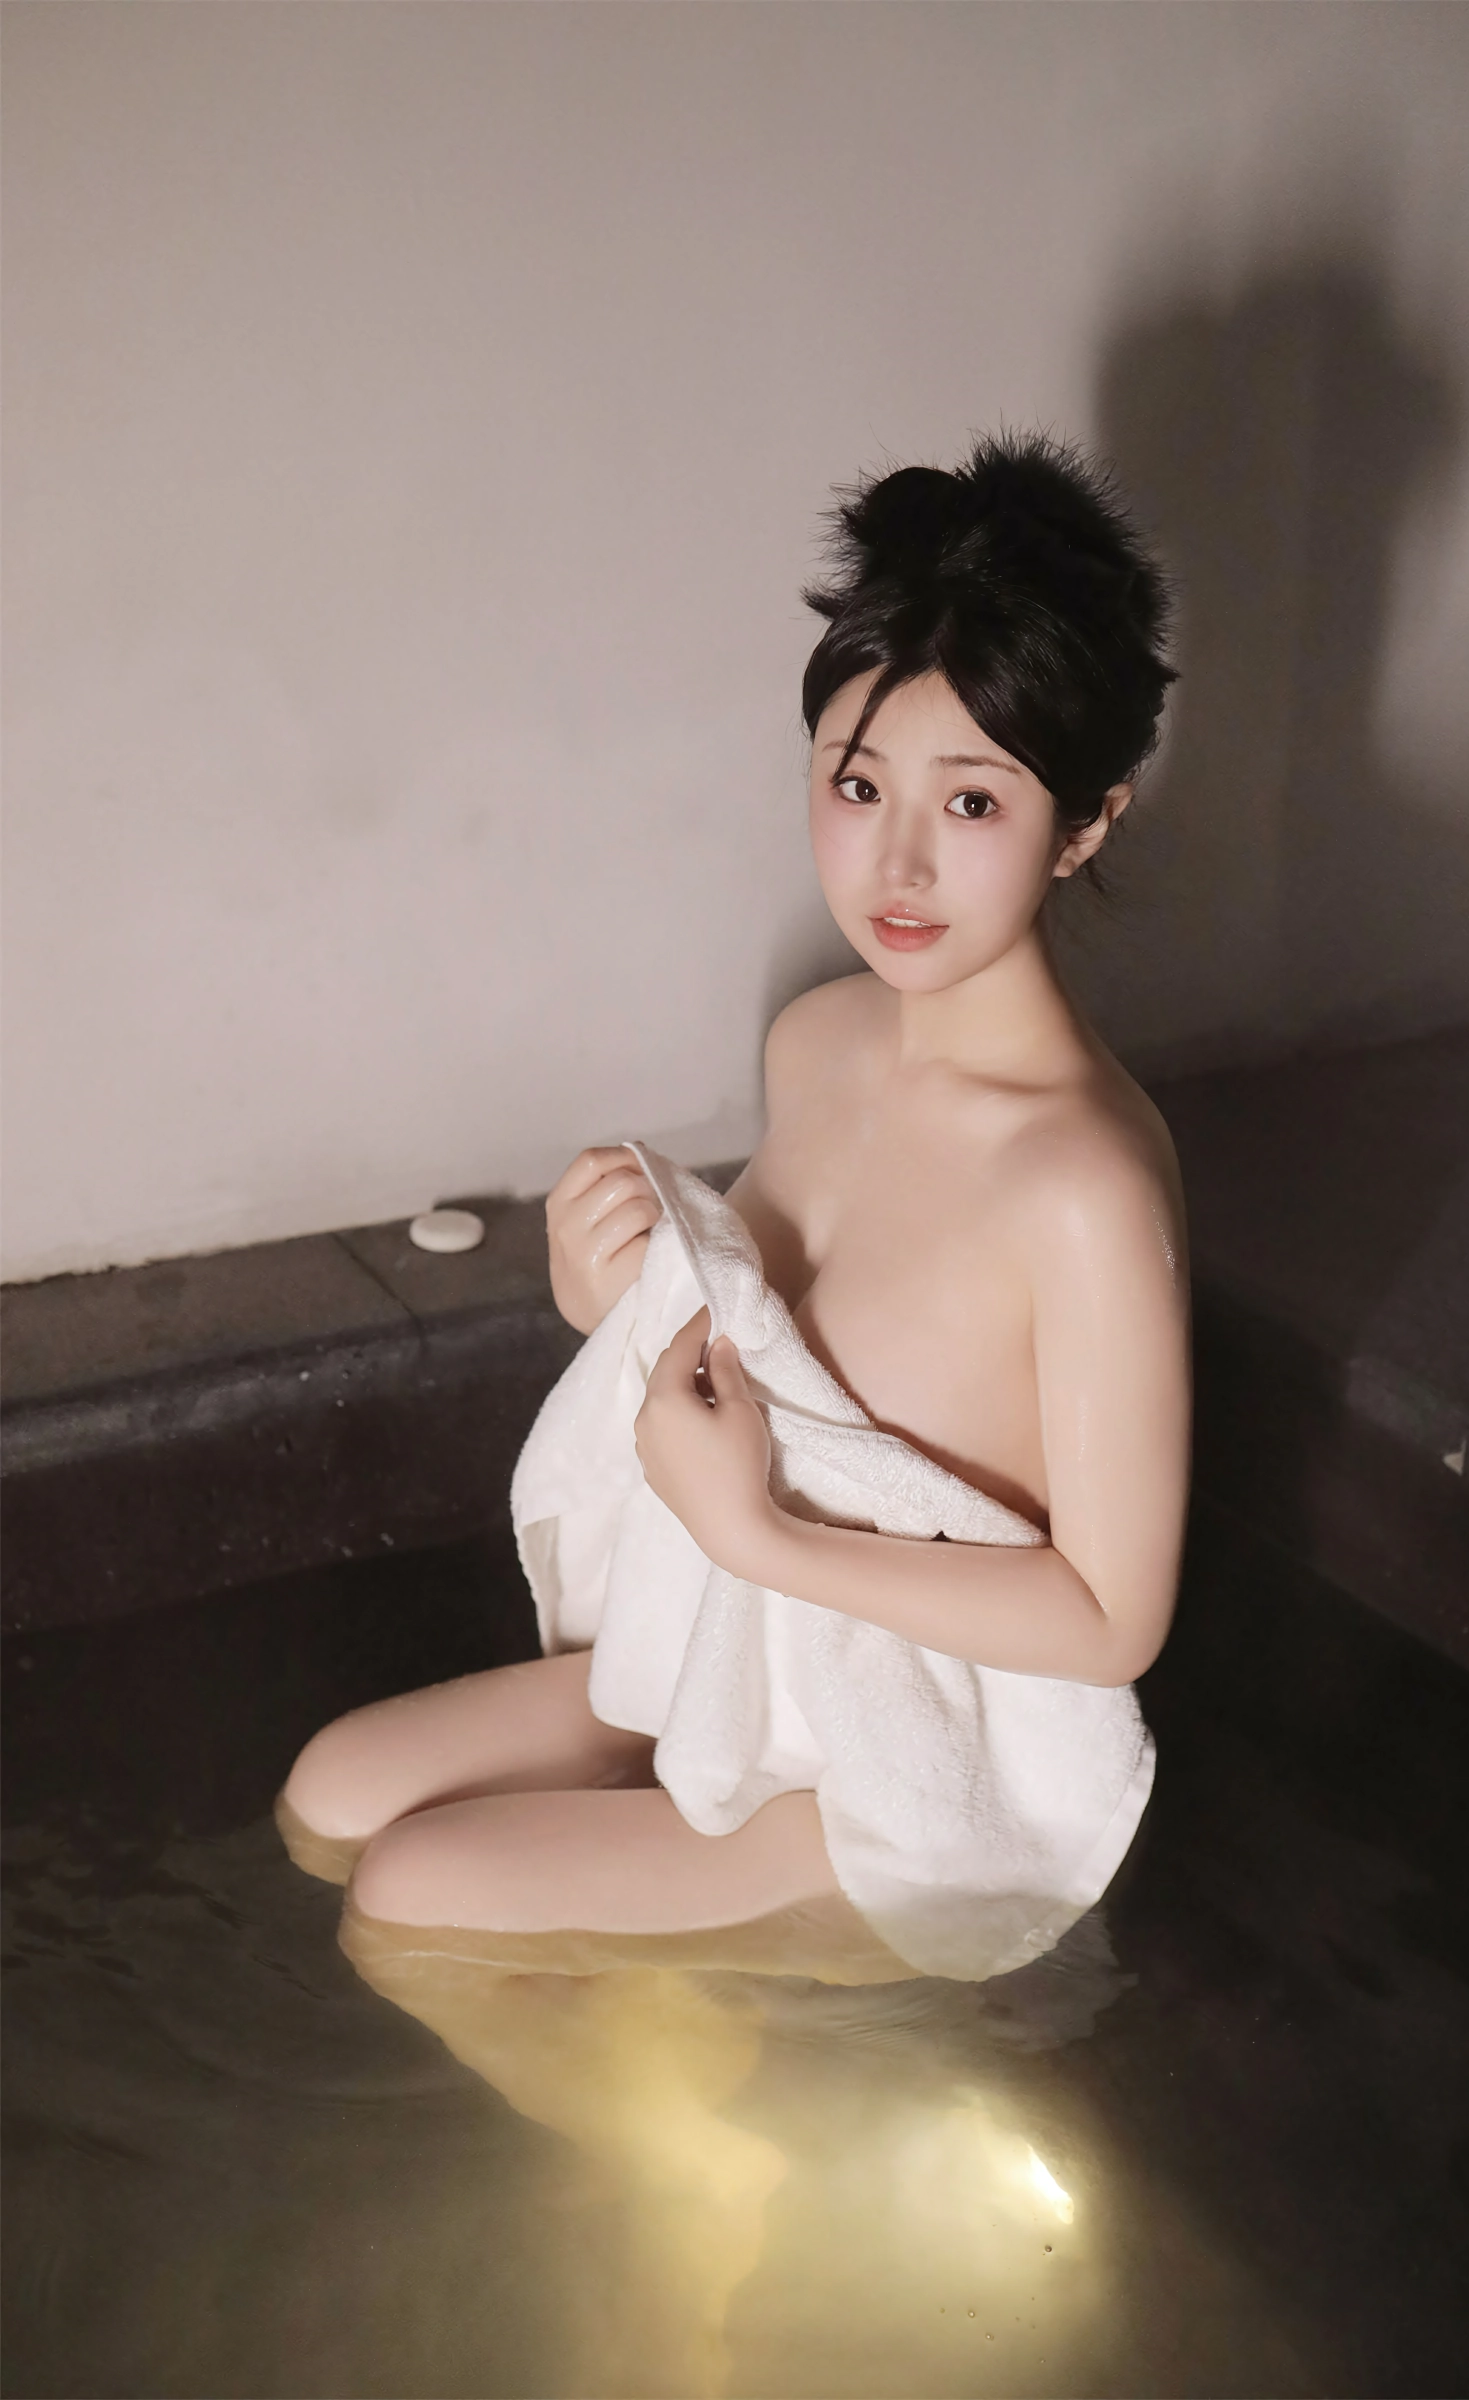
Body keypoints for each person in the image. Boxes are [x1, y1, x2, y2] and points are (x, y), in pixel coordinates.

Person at [275, 430, 1189, 2228]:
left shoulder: (1083, 1182)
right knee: (331, 1800)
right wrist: (610, 1300)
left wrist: (756, 1533)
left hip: (915, 1767)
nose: (897, 860)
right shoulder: (819, 1040)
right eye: (857, 781)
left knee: (406, 1895)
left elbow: (1110, 1620)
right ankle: (672, 2027)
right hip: (755, 1657)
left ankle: (715, 2172)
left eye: (975, 803)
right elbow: (753, 1343)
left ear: (1087, 821)